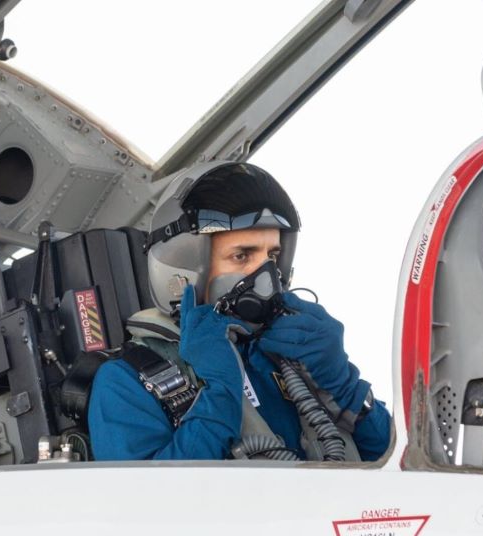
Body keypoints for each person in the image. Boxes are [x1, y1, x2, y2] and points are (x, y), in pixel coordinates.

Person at [87, 161, 391, 461]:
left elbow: (398, 461)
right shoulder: (128, 381)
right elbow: (149, 505)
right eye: (241, 255)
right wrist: (220, 394)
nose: (266, 274)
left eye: (273, 254)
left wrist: (344, 383)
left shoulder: (287, 355)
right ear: (186, 269)